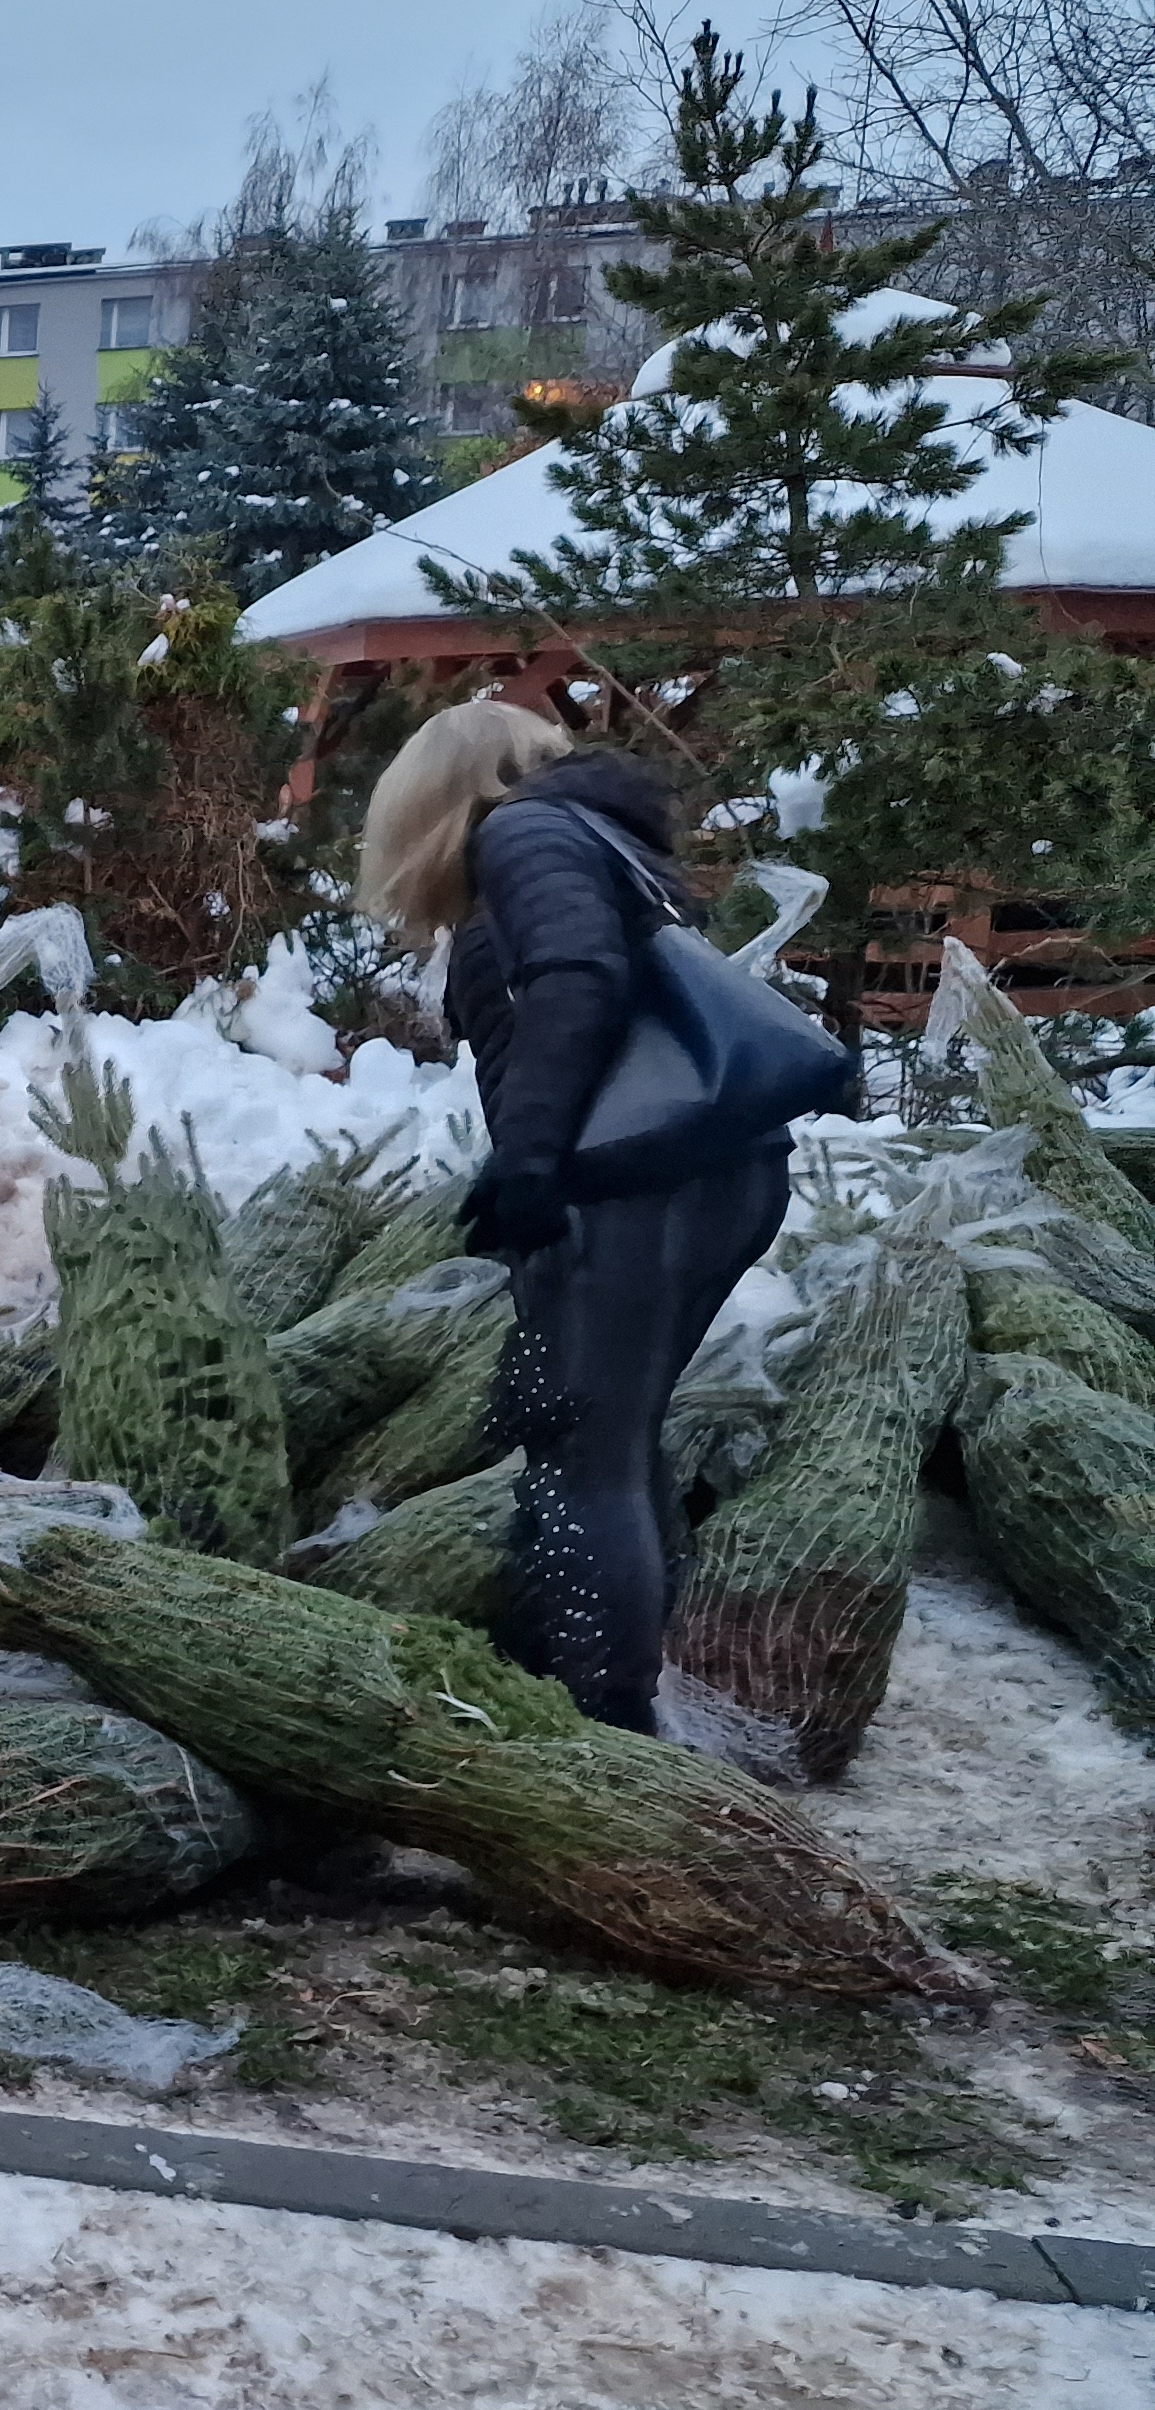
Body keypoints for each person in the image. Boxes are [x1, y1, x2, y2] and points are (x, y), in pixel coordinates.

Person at [359, 700, 801, 1736]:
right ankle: (610, 1670)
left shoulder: (523, 830)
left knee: (585, 1452)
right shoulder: (589, 838)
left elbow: (575, 980)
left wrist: (530, 1164)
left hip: (637, 1186)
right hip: (696, 1173)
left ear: (436, 791)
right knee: (613, 1434)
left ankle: (609, 1720)